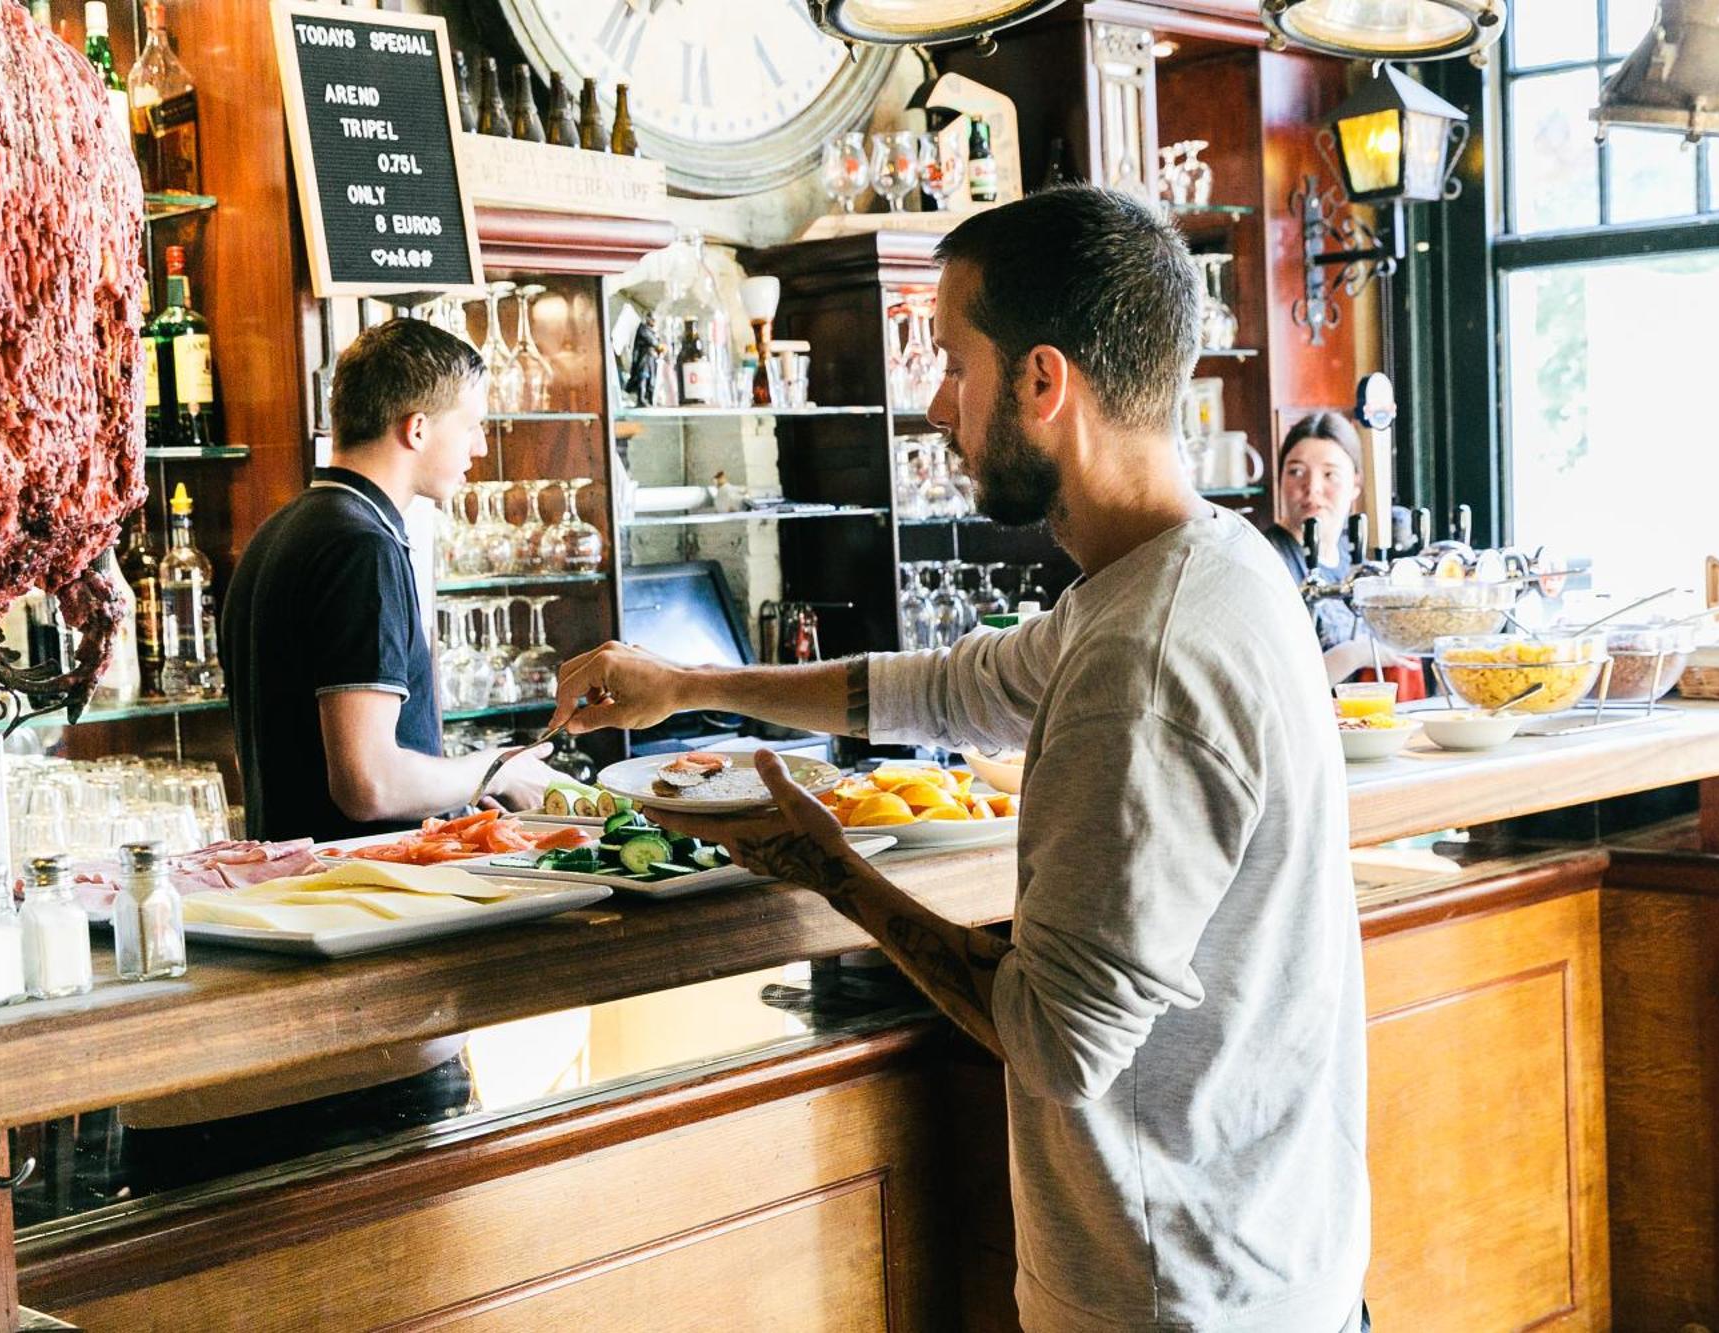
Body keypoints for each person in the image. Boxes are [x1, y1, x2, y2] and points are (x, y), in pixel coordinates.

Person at [553, 187, 1371, 1332]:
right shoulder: (1211, 563)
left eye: (951, 362)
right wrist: (692, 683)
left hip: (1173, 1296)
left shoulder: (1140, 663)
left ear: (1043, 383)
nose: (937, 405)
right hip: (1278, 1254)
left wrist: (829, 870)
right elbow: (954, 688)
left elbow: (1053, 1043)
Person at [223, 318, 556, 842]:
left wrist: (454, 797)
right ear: (417, 428)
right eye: (471, 426)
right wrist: (497, 769)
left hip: (296, 887)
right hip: (358, 900)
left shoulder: (282, 529)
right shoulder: (362, 547)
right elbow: (368, 784)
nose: (480, 449)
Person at [1262, 411, 1379, 684]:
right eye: (1296, 472)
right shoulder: (1268, 559)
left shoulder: (1352, 557)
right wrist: (1357, 653)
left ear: (1355, 485)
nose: (1312, 488)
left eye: (1330, 474)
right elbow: (1278, 686)